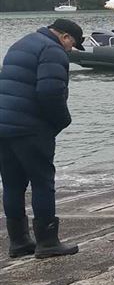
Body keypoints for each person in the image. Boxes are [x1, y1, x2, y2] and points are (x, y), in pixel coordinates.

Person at [0, 19, 84, 259]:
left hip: (4, 126)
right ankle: (47, 242)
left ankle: (18, 241)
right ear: (65, 37)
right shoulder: (52, 50)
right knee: (42, 182)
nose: (70, 50)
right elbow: (50, 92)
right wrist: (61, 121)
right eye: (72, 45)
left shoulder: (21, 43)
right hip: (31, 127)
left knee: (13, 183)